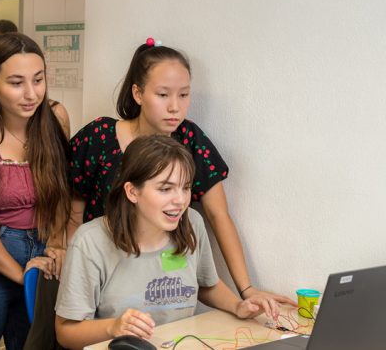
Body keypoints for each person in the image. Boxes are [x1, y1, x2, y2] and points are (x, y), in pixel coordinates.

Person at [68, 39, 294, 305]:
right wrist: (70, 259)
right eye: (163, 95)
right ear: (138, 94)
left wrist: (246, 290)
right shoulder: (99, 136)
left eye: (184, 95)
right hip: (104, 273)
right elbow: (73, 211)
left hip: (159, 284)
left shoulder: (189, 139)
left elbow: (218, 214)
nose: (175, 107)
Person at [56, 135, 280, 349]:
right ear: (132, 191)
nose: (180, 200)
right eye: (165, 189)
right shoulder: (90, 242)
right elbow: (65, 333)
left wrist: (237, 306)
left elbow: (206, 284)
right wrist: (113, 328)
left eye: (185, 187)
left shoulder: (192, 223)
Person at [0, 32, 71, 350]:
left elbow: (62, 189)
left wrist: (57, 243)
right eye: (16, 83)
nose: (31, 94)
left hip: (44, 249)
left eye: (38, 80)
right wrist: (22, 275)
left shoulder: (56, 118)